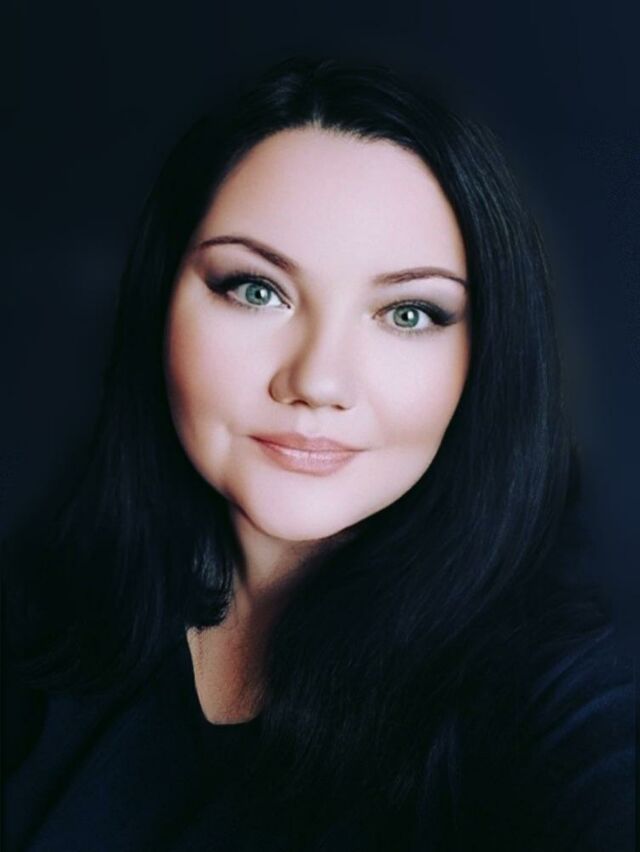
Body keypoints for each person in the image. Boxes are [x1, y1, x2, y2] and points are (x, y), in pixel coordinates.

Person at [1, 55, 634, 851]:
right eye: (256, 289)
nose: (317, 381)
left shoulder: (544, 697)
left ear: (488, 355)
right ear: (161, 301)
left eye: (408, 313)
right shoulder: (45, 608)